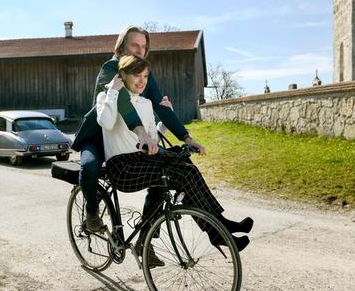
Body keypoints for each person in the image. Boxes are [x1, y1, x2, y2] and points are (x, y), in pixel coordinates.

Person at [96, 55, 253, 252]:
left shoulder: (145, 104)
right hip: (122, 167)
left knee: (188, 168)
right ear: (123, 76)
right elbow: (106, 122)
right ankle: (218, 232)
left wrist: (164, 122)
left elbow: (153, 139)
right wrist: (112, 91)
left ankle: (221, 224)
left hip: (143, 161)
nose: (142, 80)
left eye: (145, 76)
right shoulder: (109, 97)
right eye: (137, 75)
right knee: (183, 174)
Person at [71, 25, 204, 233]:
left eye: (143, 46)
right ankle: (91, 212)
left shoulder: (143, 73)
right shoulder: (110, 69)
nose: (139, 50)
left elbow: (161, 106)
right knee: (89, 167)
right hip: (100, 134)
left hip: (129, 138)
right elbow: (123, 103)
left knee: (162, 172)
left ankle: (147, 233)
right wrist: (142, 132)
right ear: (122, 45)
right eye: (135, 44)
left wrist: (186, 137)